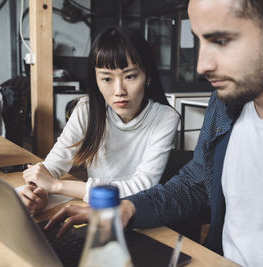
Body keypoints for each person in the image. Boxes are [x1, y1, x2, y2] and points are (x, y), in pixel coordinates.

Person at [45, 0, 263, 266]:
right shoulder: (226, 103)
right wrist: (128, 208)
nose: (201, 66)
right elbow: (196, 186)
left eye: (220, 41)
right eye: (199, 40)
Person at [19, 26, 180, 215]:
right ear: (96, 79)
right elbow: (55, 163)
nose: (119, 90)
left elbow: (141, 188)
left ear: (147, 77)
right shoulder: (87, 110)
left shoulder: (165, 118)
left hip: (138, 217)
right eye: (107, 79)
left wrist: (56, 185)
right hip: (95, 211)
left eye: (130, 76)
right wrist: (39, 192)